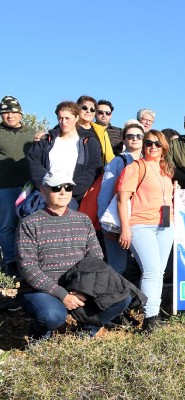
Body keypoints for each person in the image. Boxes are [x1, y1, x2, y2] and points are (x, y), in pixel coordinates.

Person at [16, 171, 133, 339]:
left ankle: (87, 328)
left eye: (68, 187)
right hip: (42, 290)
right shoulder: (29, 223)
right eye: (56, 188)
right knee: (52, 316)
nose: (63, 192)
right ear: (43, 191)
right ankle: (39, 333)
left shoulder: (83, 220)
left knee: (123, 296)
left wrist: (83, 290)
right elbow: (28, 269)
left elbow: (95, 258)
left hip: (79, 287)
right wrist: (62, 294)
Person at [117, 130, 175, 332]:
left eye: (157, 144)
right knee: (150, 271)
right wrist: (125, 228)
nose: (153, 147)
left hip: (165, 225)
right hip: (140, 225)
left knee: (159, 272)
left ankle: (153, 314)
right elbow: (122, 200)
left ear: (164, 147)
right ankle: (150, 319)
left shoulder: (165, 170)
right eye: (149, 142)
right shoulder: (135, 168)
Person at [27, 101, 102, 209]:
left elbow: (93, 169)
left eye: (67, 118)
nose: (63, 122)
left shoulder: (89, 143)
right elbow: (33, 162)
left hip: (73, 199)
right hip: (45, 196)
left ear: (77, 118)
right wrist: (47, 186)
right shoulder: (46, 140)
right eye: (60, 118)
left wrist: (70, 190)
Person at [97, 124, 145, 274]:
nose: (135, 139)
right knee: (117, 268)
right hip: (116, 221)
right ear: (124, 140)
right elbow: (105, 191)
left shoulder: (147, 161)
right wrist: (106, 225)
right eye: (130, 136)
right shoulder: (118, 162)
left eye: (139, 136)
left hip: (139, 220)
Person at [0, 96, 35, 276]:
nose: (10, 115)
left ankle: (29, 263)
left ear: (20, 114)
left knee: (29, 224)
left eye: (13, 111)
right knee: (7, 225)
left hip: (29, 186)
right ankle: (11, 263)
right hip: (4, 186)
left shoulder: (32, 133)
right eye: (5, 112)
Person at [76, 96, 114, 164]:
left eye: (92, 109)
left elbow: (109, 158)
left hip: (97, 173)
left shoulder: (101, 131)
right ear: (77, 109)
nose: (88, 111)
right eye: (85, 108)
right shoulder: (68, 128)